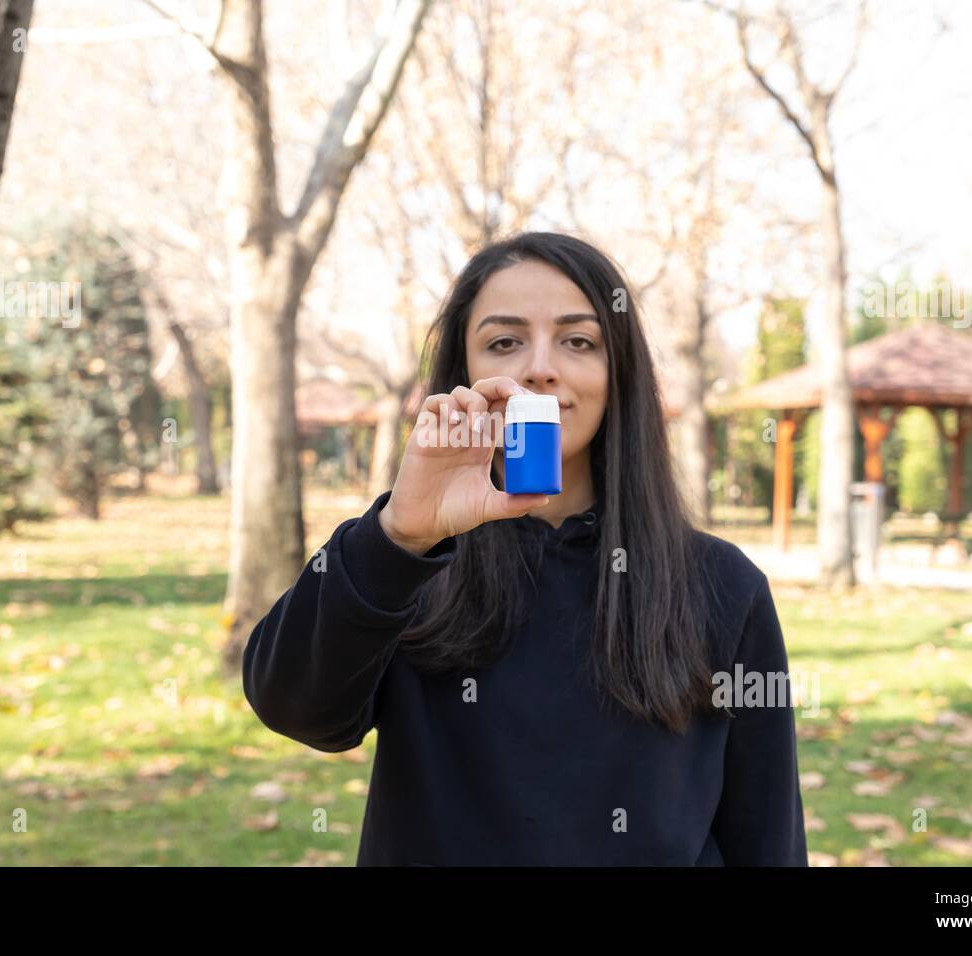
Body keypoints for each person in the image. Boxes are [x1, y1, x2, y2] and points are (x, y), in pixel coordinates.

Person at [243, 231, 808, 866]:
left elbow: (768, 839)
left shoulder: (723, 585)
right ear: (464, 376)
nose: (541, 366)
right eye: (504, 342)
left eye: (578, 341)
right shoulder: (407, 563)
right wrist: (398, 535)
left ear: (618, 374)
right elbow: (293, 705)